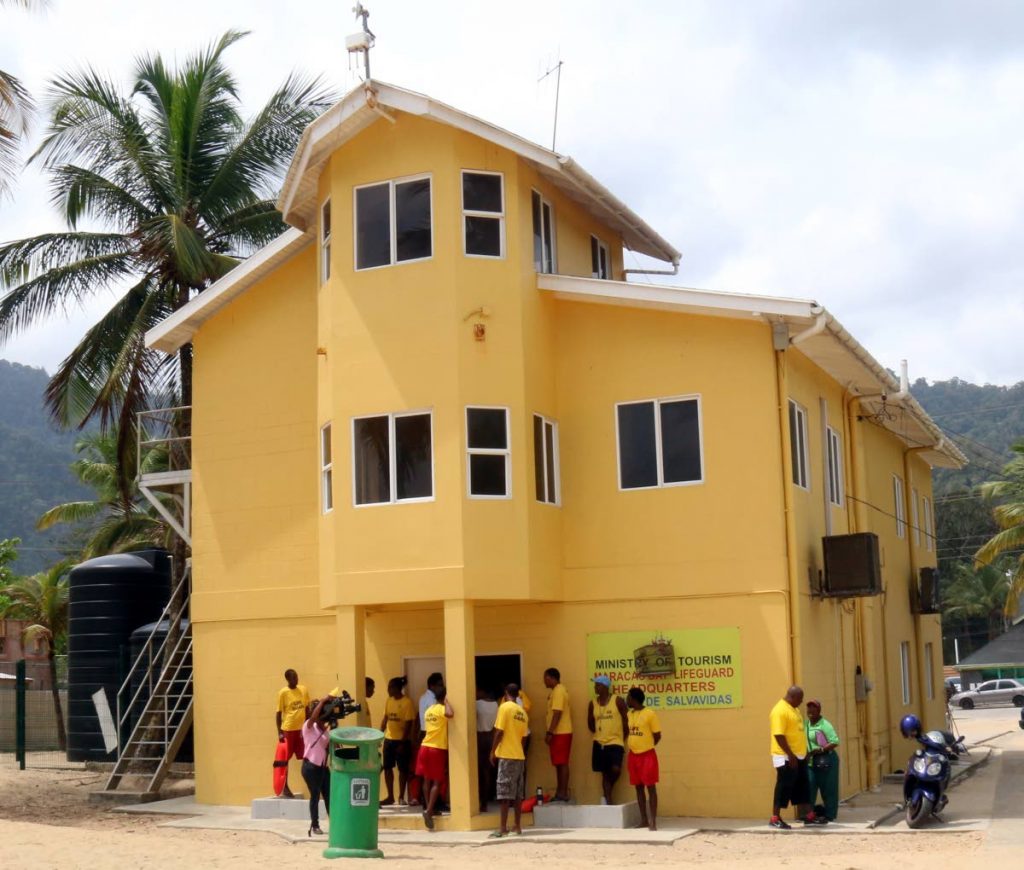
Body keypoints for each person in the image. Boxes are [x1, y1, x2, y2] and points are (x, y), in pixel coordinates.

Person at [769, 685, 827, 829]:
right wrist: (790, 755)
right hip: (786, 757)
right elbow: (779, 735)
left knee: (803, 787)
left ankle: (808, 816)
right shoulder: (780, 710)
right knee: (784, 787)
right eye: (800, 699)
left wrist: (803, 753)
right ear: (792, 697)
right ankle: (775, 817)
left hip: (798, 757)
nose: (801, 702)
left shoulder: (793, 709)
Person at [489, 683, 530, 838]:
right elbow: (524, 738)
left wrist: (493, 751)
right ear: (518, 694)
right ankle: (517, 826)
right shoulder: (523, 713)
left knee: (504, 793)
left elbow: (499, 731)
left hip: (507, 756)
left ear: (506, 694)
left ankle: (502, 828)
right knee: (518, 794)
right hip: (519, 757)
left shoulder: (504, 708)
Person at [416, 685, 453, 831]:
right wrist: (447, 702)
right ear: (443, 696)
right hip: (437, 748)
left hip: (424, 746)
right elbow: (450, 714)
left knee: (427, 779)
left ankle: (428, 806)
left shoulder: (429, 710)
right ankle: (429, 811)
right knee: (437, 781)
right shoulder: (441, 709)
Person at [588, 675, 628, 805]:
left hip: (615, 742)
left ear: (605, 687)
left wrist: (624, 735)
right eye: (595, 685)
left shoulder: (617, 700)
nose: (595, 687)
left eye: (597, 685)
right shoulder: (593, 703)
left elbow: (626, 719)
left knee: (616, 769)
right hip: (599, 743)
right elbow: (590, 723)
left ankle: (607, 793)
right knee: (604, 773)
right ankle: (609, 802)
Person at [625, 687, 661, 830]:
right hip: (633, 755)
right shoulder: (629, 714)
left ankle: (653, 821)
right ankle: (643, 819)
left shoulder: (650, 714)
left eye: (628, 697)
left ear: (633, 699)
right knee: (638, 788)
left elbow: (657, 735)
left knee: (651, 788)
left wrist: (647, 745)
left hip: (647, 755)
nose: (626, 700)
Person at [380, 676, 416, 806]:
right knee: (387, 768)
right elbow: (385, 718)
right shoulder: (388, 701)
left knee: (403, 770)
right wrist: (380, 734)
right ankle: (390, 796)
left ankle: (401, 796)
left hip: (402, 741)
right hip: (389, 740)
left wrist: (402, 742)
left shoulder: (407, 703)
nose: (388, 689)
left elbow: (409, 724)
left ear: (397, 688)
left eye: (390, 687)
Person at [275, 669, 310, 798]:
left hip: (302, 730)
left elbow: (307, 709)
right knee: (285, 760)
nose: (296, 680)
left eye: (297, 677)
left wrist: (308, 726)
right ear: (288, 680)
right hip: (288, 730)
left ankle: (312, 784)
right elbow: (278, 714)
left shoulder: (303, 690)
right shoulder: (283, 693)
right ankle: (285, 786)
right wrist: (280, 732)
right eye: (293, 678)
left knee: (306, 756)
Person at [301, 695, 333, 835]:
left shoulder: (325, 731)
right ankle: (315, 825)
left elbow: (331, 745)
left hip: (323, 767)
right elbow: (314, 718)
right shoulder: (308, 726)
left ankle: (335, 823)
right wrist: (323, 700)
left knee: (329, 795)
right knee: (315, 795)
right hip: (311, 767)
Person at [805, 699, 841, 821]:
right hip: (810, 761)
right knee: (809, 786)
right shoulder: (806, 724)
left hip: (826, 760)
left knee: (828, 788)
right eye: (809, 708)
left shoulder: (825, 724)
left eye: (813, 708)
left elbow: (835, 741)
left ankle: (830, 815)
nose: (810, 711)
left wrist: (820, 750)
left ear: (819, 710)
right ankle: (810, 813)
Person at [543, 667, 572, 801]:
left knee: (562, 763)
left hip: (561, 732)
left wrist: (550, 731)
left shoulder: (559, 691)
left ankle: (563, 793)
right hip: (557, 733)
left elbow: (557, 713)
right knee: (558, 763)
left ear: (551, 678)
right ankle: (560, 792)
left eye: (545, 678)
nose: (544, 681)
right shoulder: (555, 691)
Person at [476, 687, 499, 812]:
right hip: (491, 737)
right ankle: (487, 798)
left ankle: (482, 801)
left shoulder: (477, 703)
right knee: (488, 771)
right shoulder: (496, 704)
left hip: (480, 738)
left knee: (480, 772)